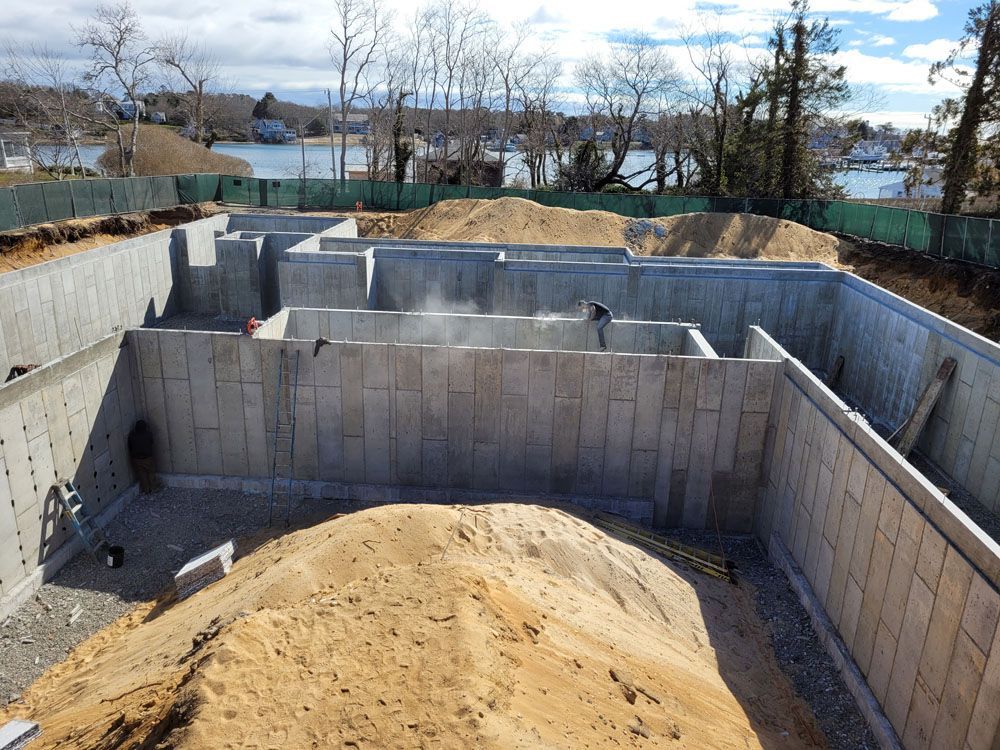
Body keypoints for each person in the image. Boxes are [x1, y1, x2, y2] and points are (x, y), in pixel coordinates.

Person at [128, 419, 161, 493]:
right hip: (147, 457)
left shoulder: (131, 435)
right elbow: (151, 442)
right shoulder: (148, 434)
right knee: (151, 472)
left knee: (142, 474)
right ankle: (153, 488)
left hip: (136, 459)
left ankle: (146, 489)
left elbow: (130, 446)